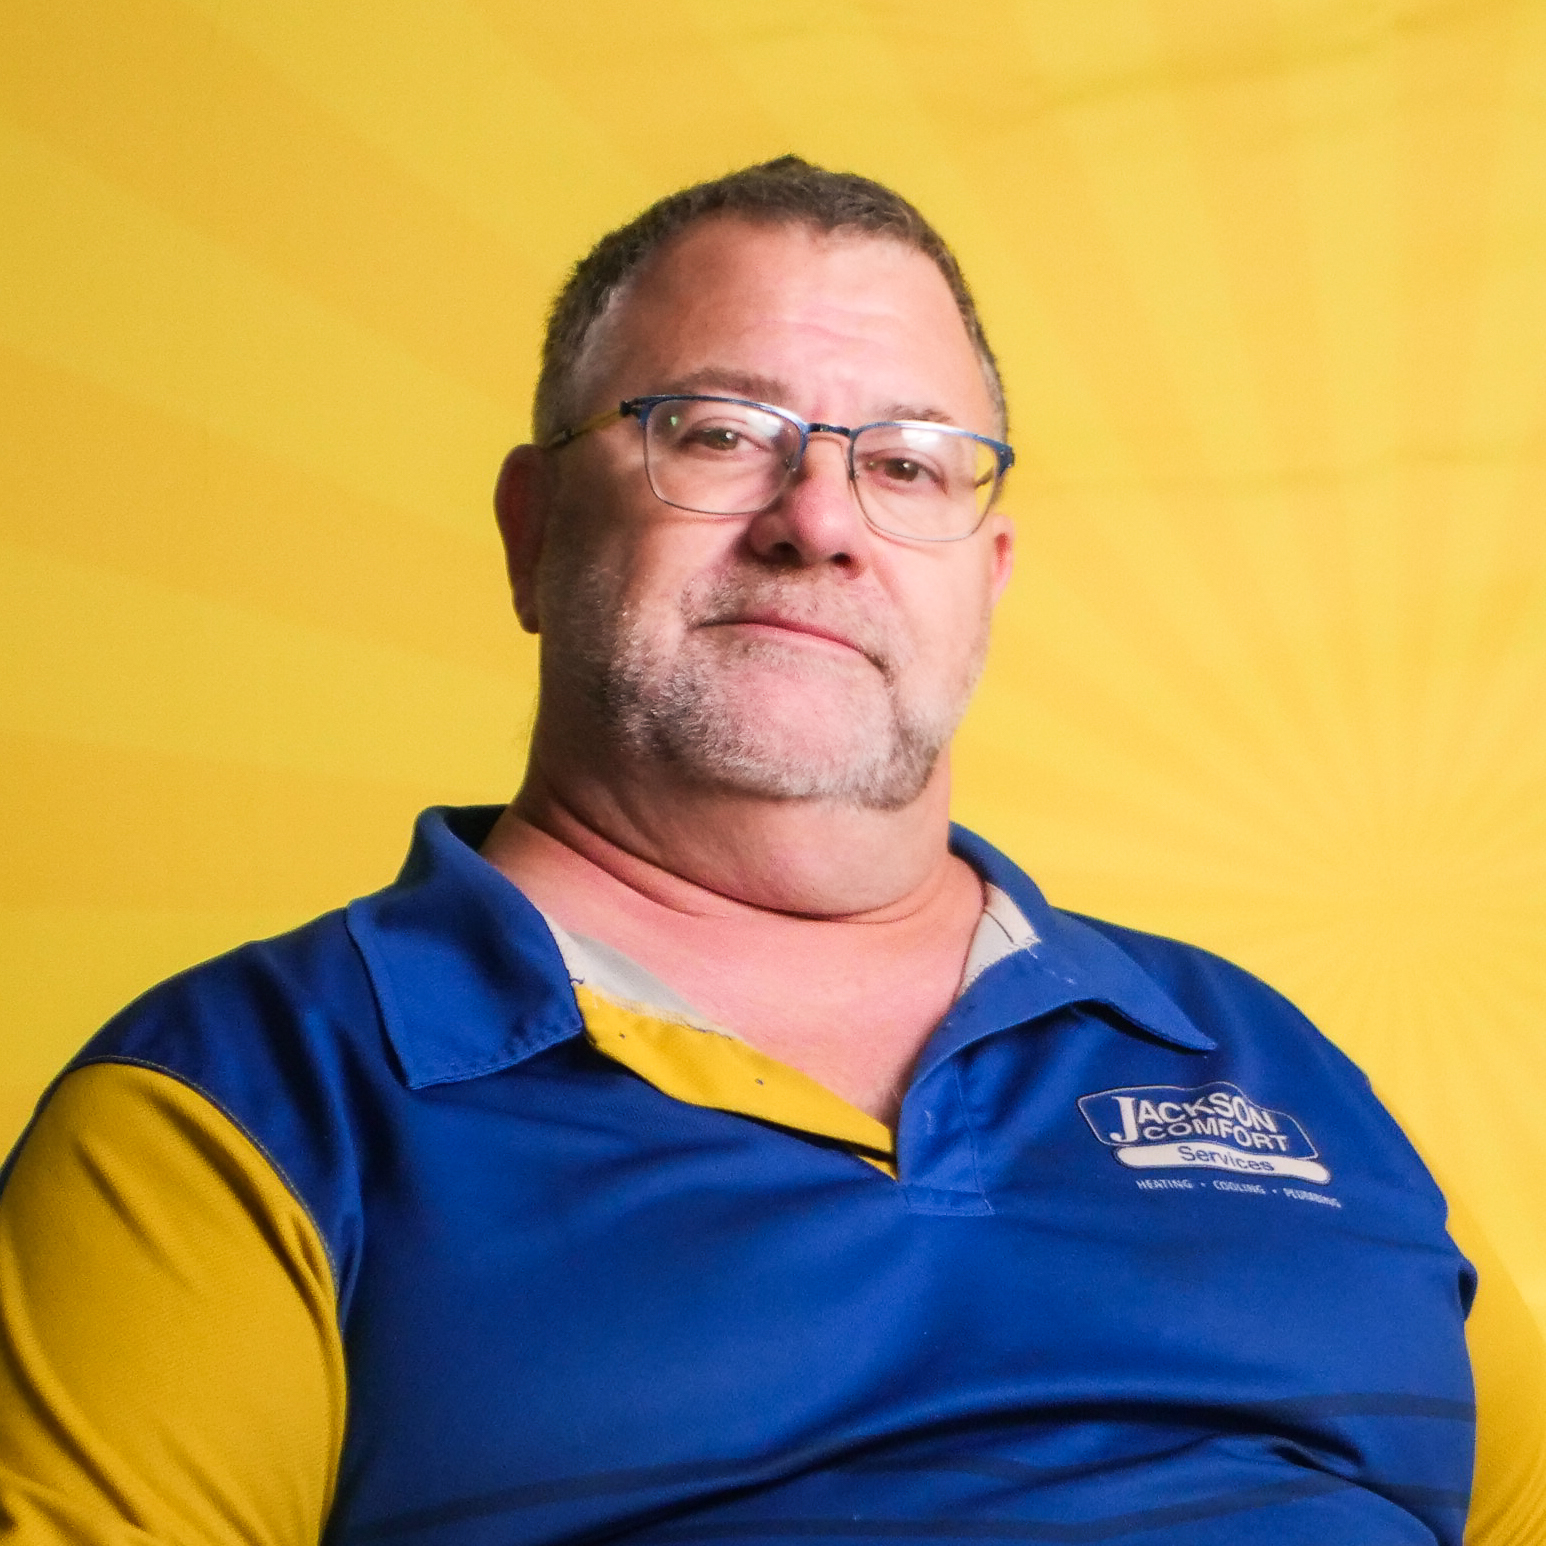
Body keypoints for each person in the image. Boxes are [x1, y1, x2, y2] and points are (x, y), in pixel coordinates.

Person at [1, 156, 1543, 1546]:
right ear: (532, 530)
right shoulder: (235, 1111)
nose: (818, 519)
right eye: (720, 433)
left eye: (908, 463)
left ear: (987, 577)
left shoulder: (1275, 1067)